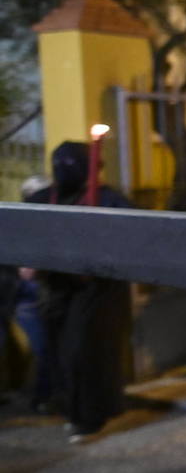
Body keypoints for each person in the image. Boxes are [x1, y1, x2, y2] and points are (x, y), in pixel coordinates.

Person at [23, 141, 136, 443]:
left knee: (83, 353)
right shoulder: (46, 197)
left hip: (96, 292)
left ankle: (89, 416)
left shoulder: (109, 199)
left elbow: (133, 237)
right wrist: (26, 260)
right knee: (61, 353)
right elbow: (22, 227)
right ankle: (72, 410)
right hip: (57, 290)